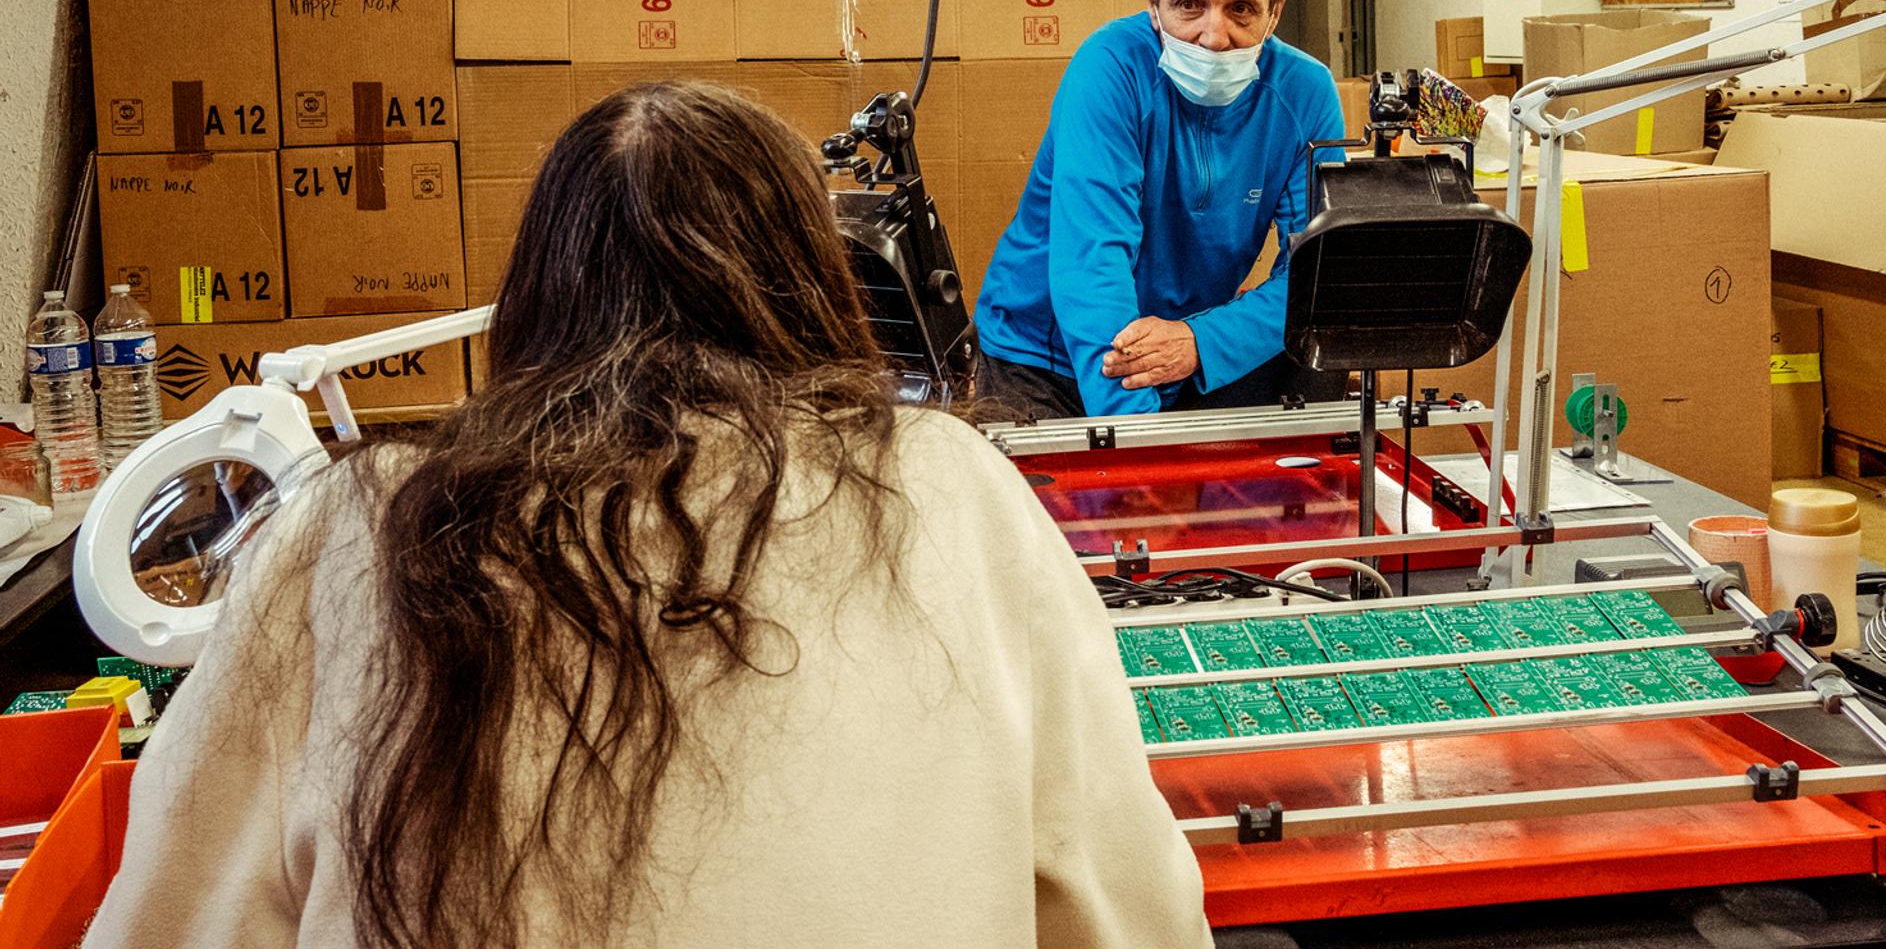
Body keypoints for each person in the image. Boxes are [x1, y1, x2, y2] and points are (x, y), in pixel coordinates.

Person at [86, 82, 1211, 949]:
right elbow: (1127, 902)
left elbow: (179, 917)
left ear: (535, 291)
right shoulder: (951, 485)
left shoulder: (356, 529)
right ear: (810, 279)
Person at [974, 0, 1345, 421]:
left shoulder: (1305, 92)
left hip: (1181, 351)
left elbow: (1320, 270)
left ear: (1275, 12)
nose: (1213, 36)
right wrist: (1137, 432)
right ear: (1153, 0)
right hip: (1044, 354)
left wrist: (1202, 340)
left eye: (1240, 8)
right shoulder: (1110, 69)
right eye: (1189, 4)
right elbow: (1092, 264)